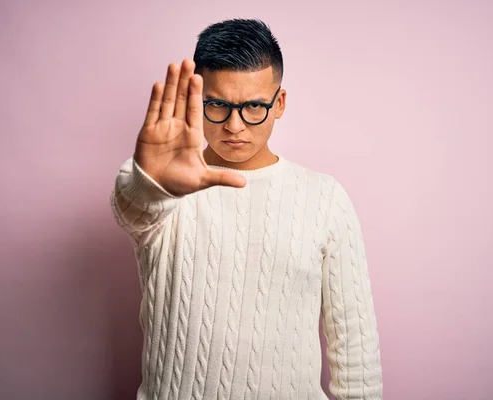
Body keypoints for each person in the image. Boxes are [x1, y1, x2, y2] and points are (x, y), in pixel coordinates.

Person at [110, 18, 382, 400]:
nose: (235, 125)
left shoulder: (324, 198)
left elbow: (355, 343)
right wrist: (151, 183)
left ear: (279, 103)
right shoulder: (158, 184)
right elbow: (133, 209)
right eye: (217, 104)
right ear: (196, 97)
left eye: (254, 105)